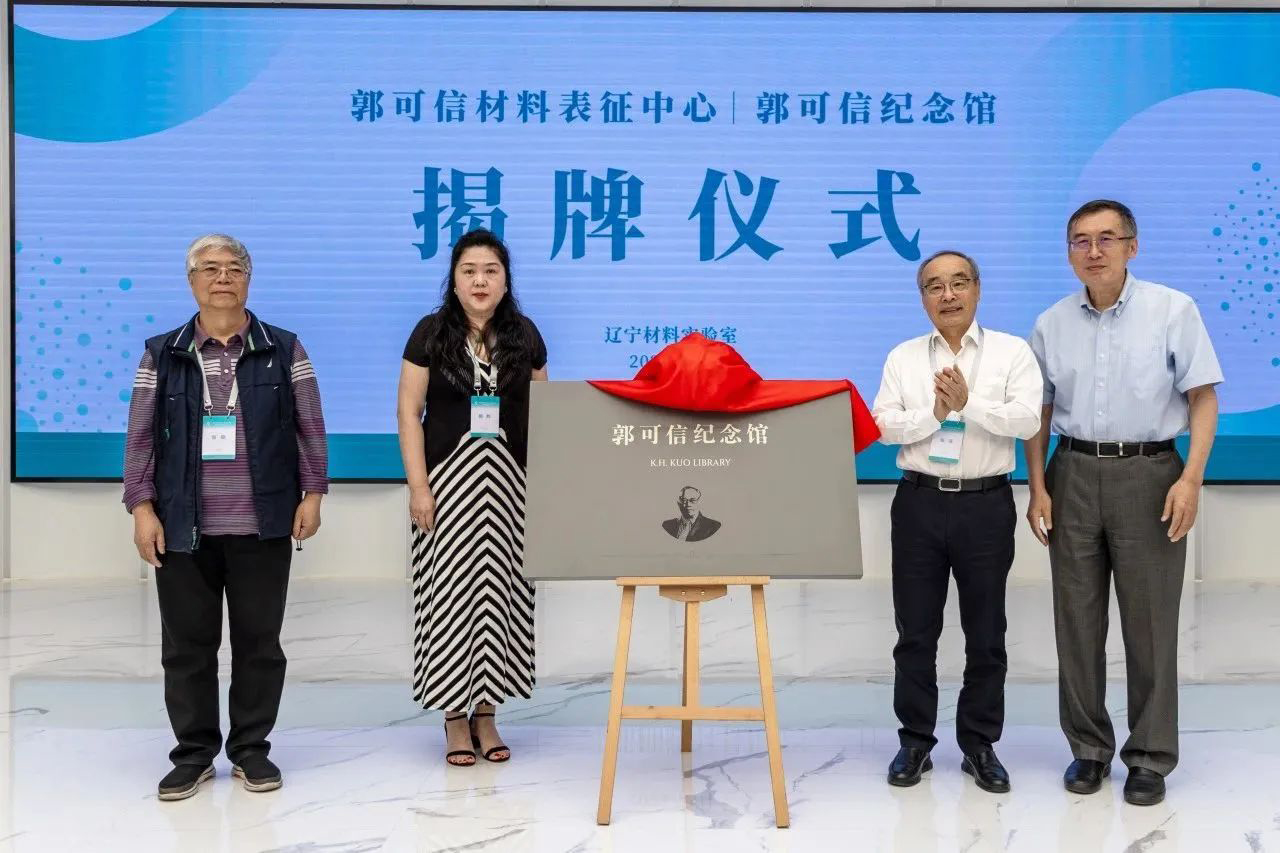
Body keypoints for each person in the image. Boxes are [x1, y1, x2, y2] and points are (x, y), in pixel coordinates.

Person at [1026, 200, 1222, 806]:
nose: (1094, 251)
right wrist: (1037, 487)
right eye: (1081, 240)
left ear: (1132, 247)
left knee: (1151, 623)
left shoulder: (1173, 310)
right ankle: (1088, 750)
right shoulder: (1051, 323)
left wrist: (1191, 479)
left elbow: (1203, 397)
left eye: (1107, 238)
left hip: (1151, 474)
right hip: (1072, 473)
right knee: (1076, 621)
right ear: (1069, 252)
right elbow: (1039, 411)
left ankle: (1150, 757)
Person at [122, 234, 328, 800]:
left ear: (248, 280)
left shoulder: (284, 348)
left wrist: (313, 493)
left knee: (260, 643)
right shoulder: (162, 353)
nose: (222, 278)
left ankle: (251, 750)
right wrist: (142, 507)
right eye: (209, 268)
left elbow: (310, 425)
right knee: (186, 647)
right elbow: (140, 437)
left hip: (263, 522)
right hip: (182, 526)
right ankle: (192, 755)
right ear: (191, 281)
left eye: (234, 268)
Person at [871, 250, 1042, 794]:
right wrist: (936, 414)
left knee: (986, 632)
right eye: (934, 286)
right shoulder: (902, 357)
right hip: (918, 503)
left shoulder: (1012, 352)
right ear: (922, 297)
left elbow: (1027, 420)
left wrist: (968, 404)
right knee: (915, 632)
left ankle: (979, 744)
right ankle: (914, 742)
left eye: (959, 283)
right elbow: (883, 426)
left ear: (977, 289)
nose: (948, 295)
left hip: (985, 505)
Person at [396, 228, 548, 767]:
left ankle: (487, 714)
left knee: (500, 598)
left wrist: (547, 490)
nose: (480, 281)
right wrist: (419, 487)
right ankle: (454, 719)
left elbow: (544, 416)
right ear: (454, 280)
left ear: (505, 281)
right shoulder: (430, 333)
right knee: (450, 600)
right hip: (447, 486)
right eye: (469, 271)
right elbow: (408, 413)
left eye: (491, 271)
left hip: (510, 487)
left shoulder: (524, 335)